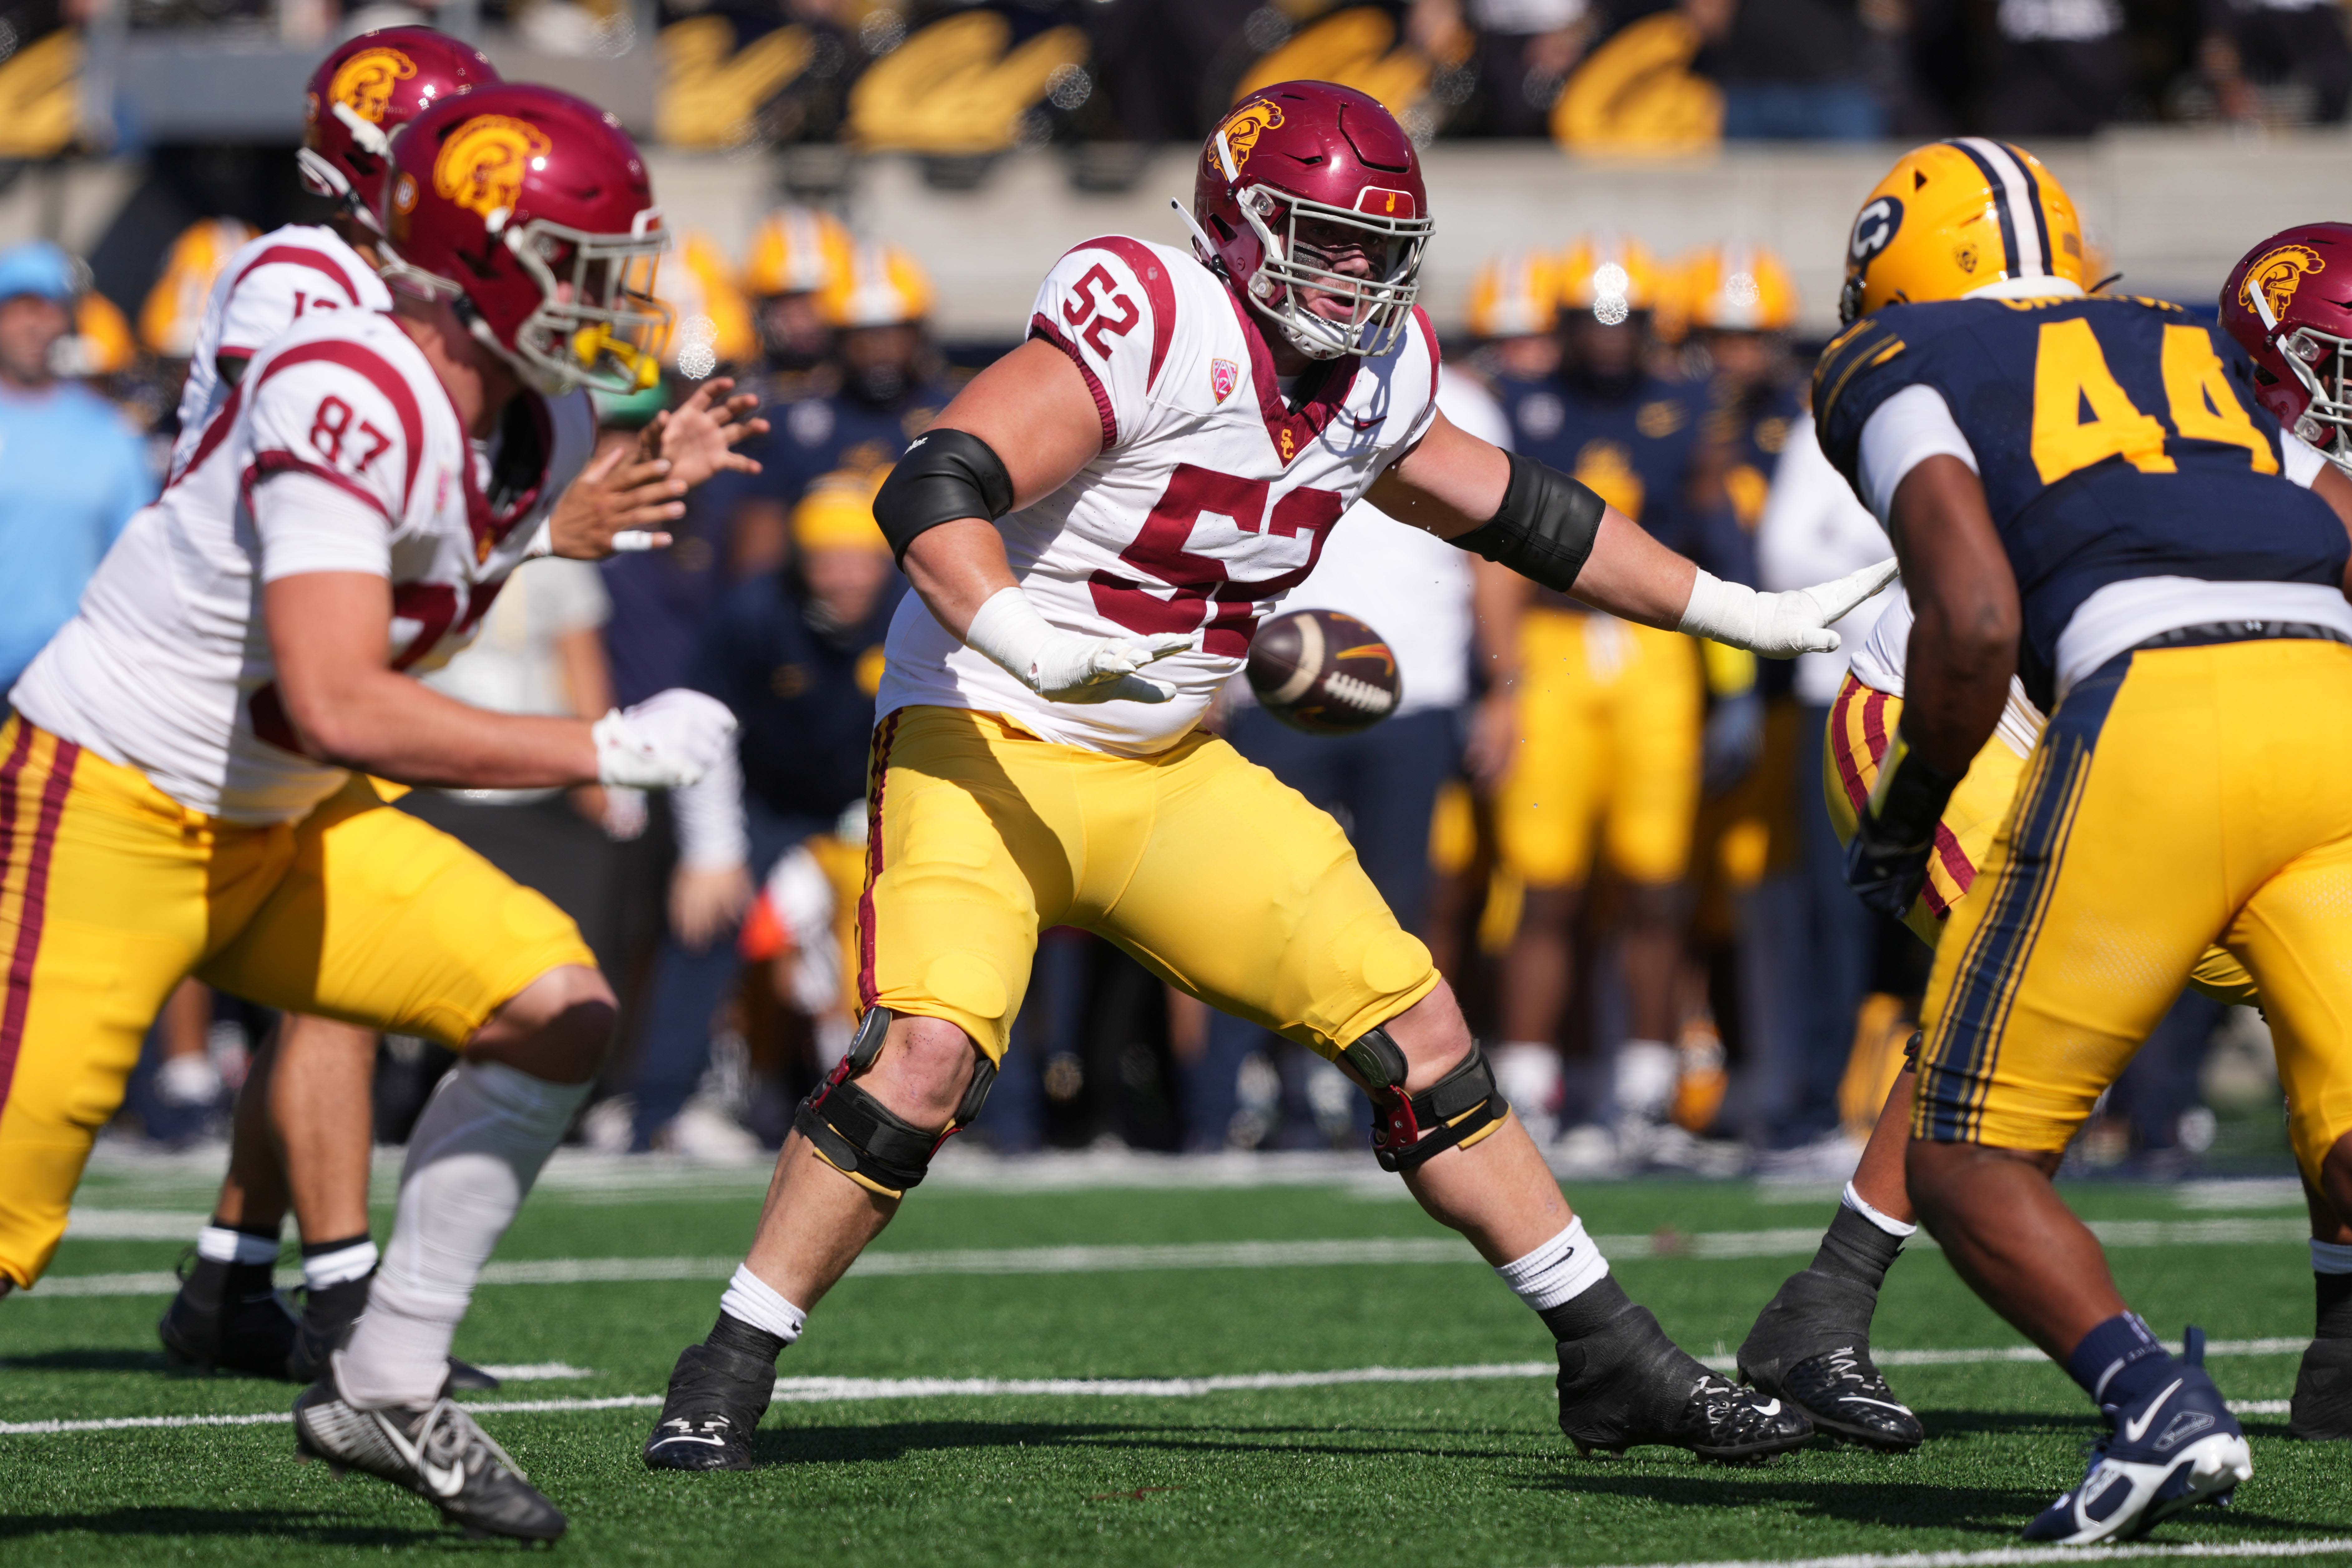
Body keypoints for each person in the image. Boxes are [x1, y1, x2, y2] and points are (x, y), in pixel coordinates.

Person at [638, 78, 1892, 1476]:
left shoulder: (1376, 378)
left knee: (1415, 1026)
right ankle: (728, 1359)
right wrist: (1026, 641)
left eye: (1377, 246)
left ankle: (1611, 1356)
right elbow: (932, 489)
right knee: (921, 1060)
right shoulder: (1153, 318)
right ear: (1237, 226)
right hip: (983, 739)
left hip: (1168, 760)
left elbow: (1524, 514)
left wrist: (1737, 611)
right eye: (1322, 237)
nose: (1352, 272)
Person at [0, 83, 750, 1540]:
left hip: (282, 821)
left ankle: (385, 1374)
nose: (616, 301)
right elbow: (343, 694)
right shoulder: (343, 381)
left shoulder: (532, 418)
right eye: (586, 265)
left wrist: (560, 521)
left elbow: (440, 553)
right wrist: (599, 741)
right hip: (113, 799)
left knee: (556, 1007)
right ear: (482, 264)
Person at [149, 28, 761, 1395]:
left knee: (358, 974)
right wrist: (594, 731)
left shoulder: (405, 321)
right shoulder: (307, 292)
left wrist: (607, 475)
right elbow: (370, 507)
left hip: (294, 698)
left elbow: (457, 522)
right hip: (204, 711)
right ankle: (339, 1296)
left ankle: (240, 1278)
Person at [1817, 137, 2352, 1542]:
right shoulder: (2189, 332)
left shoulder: (1890, 360)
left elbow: (1977, 622)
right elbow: (2330, 521)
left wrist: (1912, 803)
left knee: (1962, 1152)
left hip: (2152, 703)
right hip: (2328, 695)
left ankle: (2149, 1405)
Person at [1185, 366, 1512, 1150]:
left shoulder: (1458, 399)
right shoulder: (1253, 382)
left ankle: (1375, 1097)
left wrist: (1505, 684)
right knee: (1255, 896)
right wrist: (1201, 665)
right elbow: (1204, 525)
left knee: (1394, 906)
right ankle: (1227, 1099)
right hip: (1277, 678)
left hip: (1415, 684)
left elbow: (1492, 551)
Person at [1485, 235, 1751, 1164]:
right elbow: (1491, 553)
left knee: (1655, 881)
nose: (1607, 339)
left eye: (1624, 320)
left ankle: (1645, 1085)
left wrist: (1735, 679)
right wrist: (1500, 681)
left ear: (1649, 325)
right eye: (1589, 321)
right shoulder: (1521, 406)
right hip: (1553, 650)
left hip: (1655, 651)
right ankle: (1526, 1083)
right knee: (1544, 880)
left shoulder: (1685, 407)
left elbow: (1719, 536)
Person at [627, 469, 905, 1153]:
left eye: (859, 561)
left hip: (882, 797)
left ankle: (970, 1113)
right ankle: (659, 1110)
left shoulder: (917, 608)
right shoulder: (755, 612)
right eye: (828, 561)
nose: (845, 579)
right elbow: (705, 725)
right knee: (706, 919)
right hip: (767, 796)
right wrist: (712, 852)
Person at [720, 242, 952, 577]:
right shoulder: (791, 419)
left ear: (919, 335)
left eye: (892, 334)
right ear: (836, 341)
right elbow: (759, 555)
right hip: (824, 599)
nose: (878, 351)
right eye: (862, 337)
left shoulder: (961, 408)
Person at [0, 239, 152, 699]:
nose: (36, 325)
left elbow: (136, 568)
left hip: (61, 688)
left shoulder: (113, 436)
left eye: (50, 309)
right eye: (21, 307)